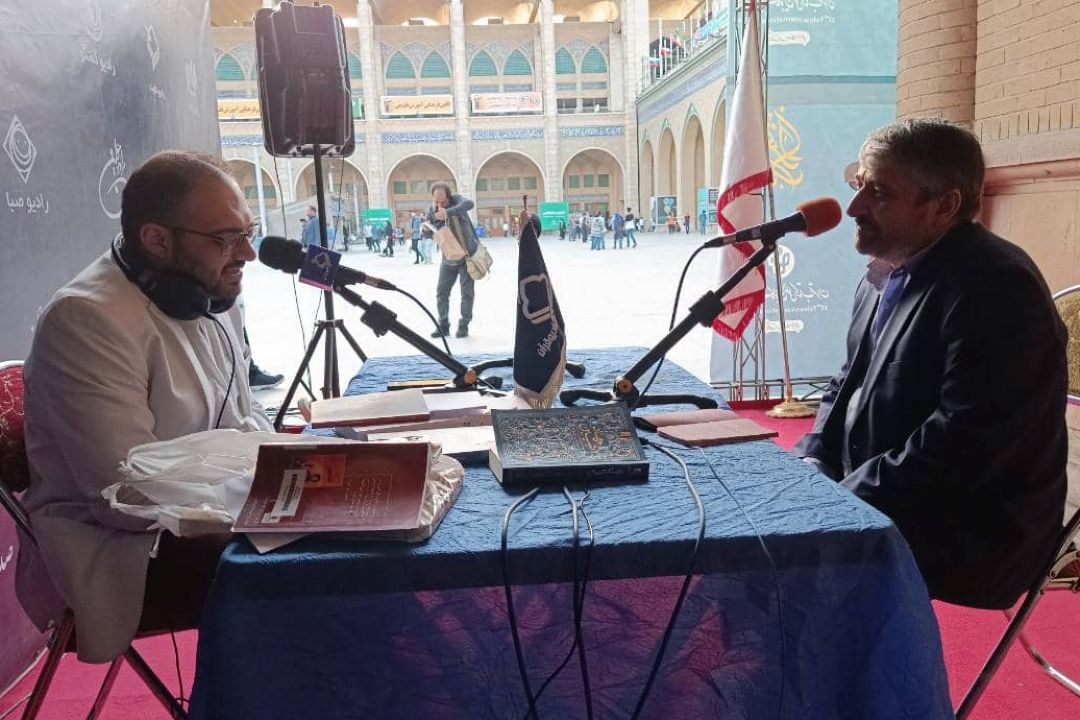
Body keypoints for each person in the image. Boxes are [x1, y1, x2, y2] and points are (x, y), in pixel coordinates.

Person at [795, 118, 1067, 609]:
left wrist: (844, 498)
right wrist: (814, 458)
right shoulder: (887, 270)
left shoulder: (997, 287)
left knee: (772, 562)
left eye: (879, 192)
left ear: (944, 206)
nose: (854, 207)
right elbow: (846, 382)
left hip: (969, 527)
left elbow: (964, 440)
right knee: (751, 523)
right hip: (887, 490)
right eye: (859, 185)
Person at [16, 150, 274, 663]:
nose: (247, 253)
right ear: (157, 240)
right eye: (226, 239)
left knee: (349, 535)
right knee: (313, 565)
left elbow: (244, 422)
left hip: (208, 517)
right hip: (114, 550)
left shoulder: (211, 296)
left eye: (248, 232)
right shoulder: (85, 320)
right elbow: (125, 493)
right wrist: (263, 504)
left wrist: (298, 475)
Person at [423, 182, 479, 338]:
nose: (439, 205)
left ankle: (464, 325)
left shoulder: (458, 202)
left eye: (443, 202)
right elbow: (431, 235)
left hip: (466, 258)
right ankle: (443, 325)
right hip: (448, 258)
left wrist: (448, 212)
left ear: (449, 197)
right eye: (436, 201)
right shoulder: (431, 211)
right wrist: (425, 230)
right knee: (441, 293)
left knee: (466, 294)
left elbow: (469, 203)